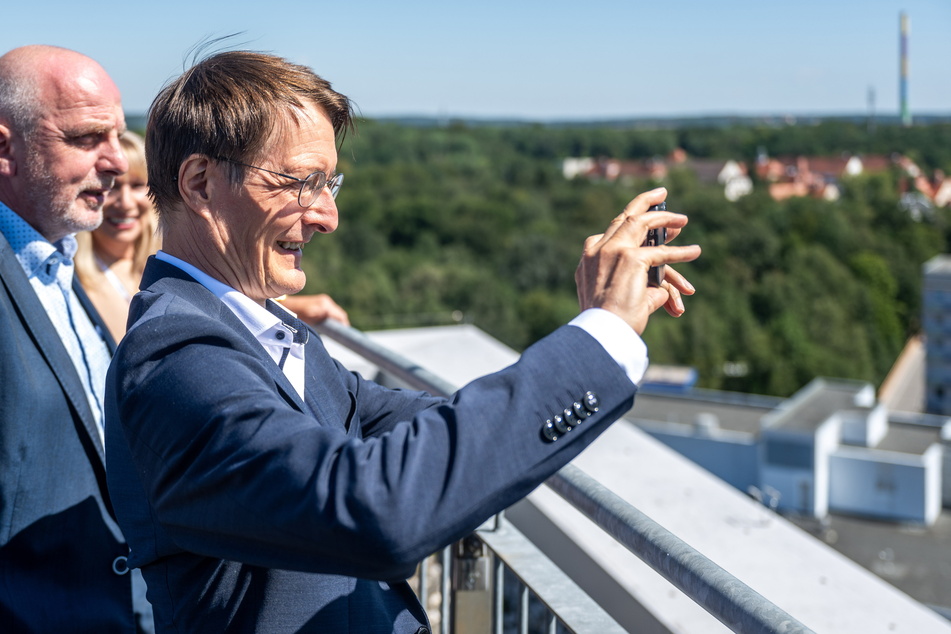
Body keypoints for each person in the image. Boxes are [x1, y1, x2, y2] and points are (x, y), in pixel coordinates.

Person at [104, 50, 701, 633]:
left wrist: (587, 336)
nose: (327, 215)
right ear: (201, 183)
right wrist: (600, 339)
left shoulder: (266, 330)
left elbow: (429, 425)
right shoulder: (176, 356)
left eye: (328, 183)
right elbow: (372, 511)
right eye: (300, 182)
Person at [0, 45, 151, 632]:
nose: (115, 164)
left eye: (118, 136)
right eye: (88, 139)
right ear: (5, 148)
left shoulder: (58, 266)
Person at [76, 130, 349, 341]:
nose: (124, 203)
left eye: (137, 186)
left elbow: (222, 305)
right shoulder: (72, 277)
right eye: (112, 187)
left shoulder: (174, 257)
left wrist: (295, 308)